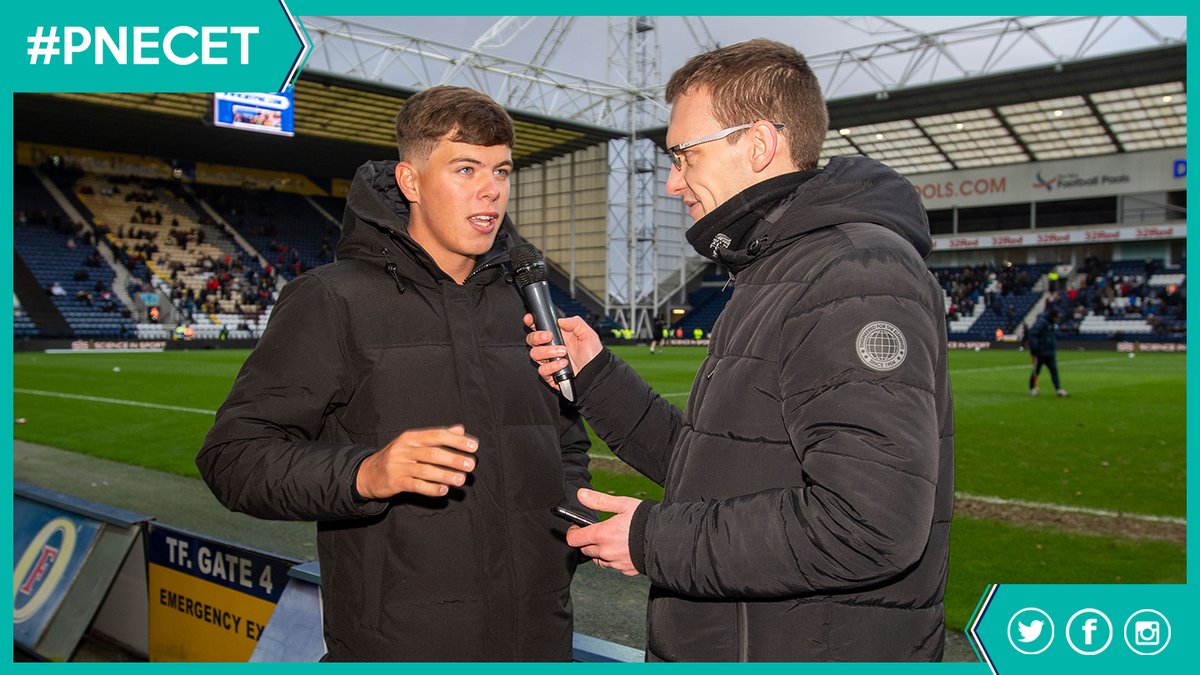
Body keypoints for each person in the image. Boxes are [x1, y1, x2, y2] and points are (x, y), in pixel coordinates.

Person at [526, 39, 953, 661]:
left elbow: (869, 523)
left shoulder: (854, 271)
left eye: (683, 155)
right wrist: (596, 377)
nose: (673, 182)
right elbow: (720, 470)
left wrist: (653, 541)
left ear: (757, 144)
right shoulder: (778, 269)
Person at [197, 86, 592, 661]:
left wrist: (563, 538)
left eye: (501, 171)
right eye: (465, 168)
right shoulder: (331, 300)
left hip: (539, 638)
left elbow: (565, 443)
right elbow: (232, 458)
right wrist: (366, 473)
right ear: (410, 182)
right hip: (397, 646)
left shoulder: (528, 301)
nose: (491, 189)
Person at [1028, 307, 1068, 397]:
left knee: (1054, 371)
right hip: (1040, 352)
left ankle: (1058, 389)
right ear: (1052, 316)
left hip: (1050, 352)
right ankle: (1032, 388)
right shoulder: (1042, 323)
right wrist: (1035, 348)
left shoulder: (1052, 324)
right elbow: (1032, 334)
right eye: (1056, 317)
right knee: (1036, 371)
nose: (1058, 319)